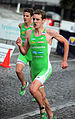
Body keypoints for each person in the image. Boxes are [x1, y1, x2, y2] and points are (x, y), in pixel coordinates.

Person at [16, 9, 69, 119]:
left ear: (43, 21)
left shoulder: (49, 33)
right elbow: (25, 52)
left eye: (37, 19)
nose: (35, 21)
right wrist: (20, 46)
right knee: (42, 96)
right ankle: (51, 114)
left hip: (45, 68)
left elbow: (66, 42)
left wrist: (64, 60)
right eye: (34, 19)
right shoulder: (28, 33)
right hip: (34, 70)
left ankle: (42, 110)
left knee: (32, 89)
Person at [16, 8, 34, 96]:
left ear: (32, 17)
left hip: (33, 54)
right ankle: (24, 84)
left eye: (27, 16)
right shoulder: (20, 25)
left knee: (34, 76)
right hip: (23, 53)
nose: (24, 17)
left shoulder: (34, 28)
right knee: (18, 70)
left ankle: (36, 93)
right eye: (24, 15)